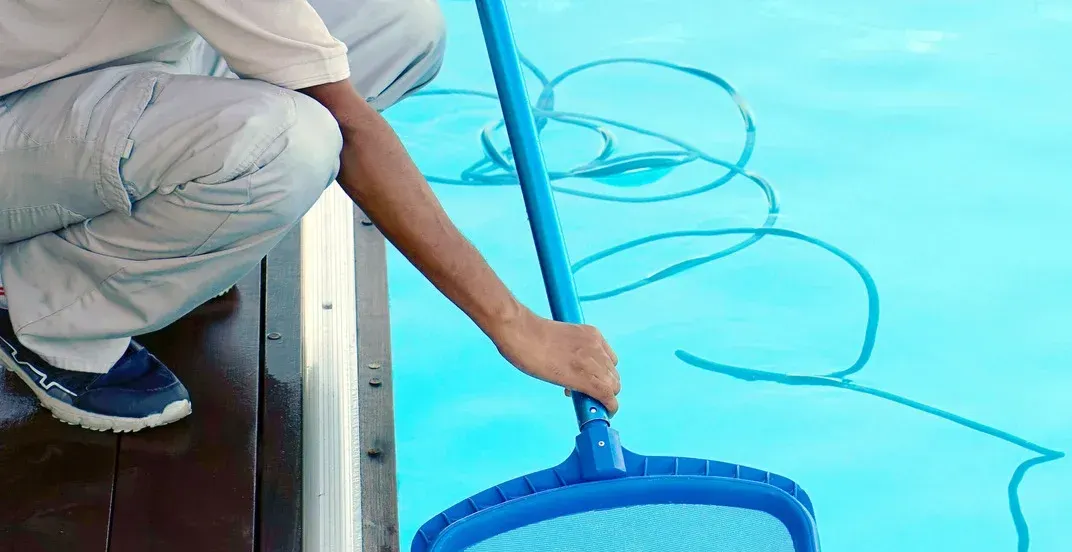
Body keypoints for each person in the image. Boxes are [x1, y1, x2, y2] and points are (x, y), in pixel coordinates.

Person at [0, 0, 620, 433]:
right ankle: (40, 308)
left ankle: (143, 245)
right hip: (17, 114)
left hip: (95, 64)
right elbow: (346, 123)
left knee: (401, 25)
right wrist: (513, 323)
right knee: (287, 143)